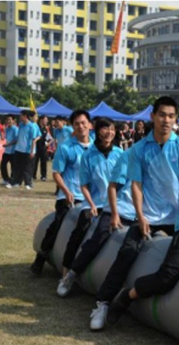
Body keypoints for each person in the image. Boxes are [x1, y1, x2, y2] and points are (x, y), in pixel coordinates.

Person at [89, 96, 179, 331]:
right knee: (127, 252)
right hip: (148, 214)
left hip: (176, 218)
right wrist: (140, 216)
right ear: (152, 117)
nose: (166, 120)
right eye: (162, 115)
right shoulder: (138, 149)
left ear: (175, 119)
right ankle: (103, 303)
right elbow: (136, 185)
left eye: (171, 116)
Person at [57, 147, 137, 297]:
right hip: (119, 207)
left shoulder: (168, 160)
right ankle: (71, 274)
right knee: (97, 236)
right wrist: (113, 213)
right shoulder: (127, 156)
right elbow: (112, 187)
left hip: (145, 214)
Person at [57, 117, 122, 294]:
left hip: (117, 203)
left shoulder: (120, 154)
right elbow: (84, 184)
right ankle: (68, 274)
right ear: (97, 131)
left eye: (112, 129)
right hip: (95, 202)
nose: (109, 132)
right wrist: (91, 204)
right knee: (81, 231)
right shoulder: (88, 156)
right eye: (105, 129)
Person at [30, 110, 92, 275]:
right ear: (72, 126)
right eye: (77, 123)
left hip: (92, 198)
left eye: (83, 123)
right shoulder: (66, 148)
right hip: (70, 195)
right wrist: (66, 191)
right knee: (58, 224)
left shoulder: (96, 147)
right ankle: (41, 257)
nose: (80, 126)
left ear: (90, 125)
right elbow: (56, 173)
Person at [8, 110, 40, 189]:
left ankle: (28, 183)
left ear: (25, 116)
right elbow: (18, 137)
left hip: (28, 151)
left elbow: (34, 139)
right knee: (17, 167)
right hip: (19, 150)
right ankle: (16, 182)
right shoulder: (21, 125)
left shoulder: (32, 126)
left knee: (27, 168)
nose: (20, 117)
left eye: (21, 115)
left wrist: (32, 151)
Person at [0, 115, 19, 185]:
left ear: (13, 121)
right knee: (2, 165)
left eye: (10, 120)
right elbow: (5, 138)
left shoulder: (15, 129)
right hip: (7, 151)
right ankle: (6, 179)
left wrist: (8, 145)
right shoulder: (7, 129)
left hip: (13, 151)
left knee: (13, 167)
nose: (8, 121)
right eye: (7, 120)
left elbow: (16, 140)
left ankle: (12, 180)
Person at [33, 115, 50, 182]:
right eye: (45, 120)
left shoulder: (45, 128)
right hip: (36, 147)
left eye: (47, 120)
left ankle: (43, 176)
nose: (46, 121)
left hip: (43, 148)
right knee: (35, 162)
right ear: (41, 120)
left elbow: (49, 138)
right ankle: (33, 175)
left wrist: (48, 142)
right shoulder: (36, 127)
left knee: (44, 162)